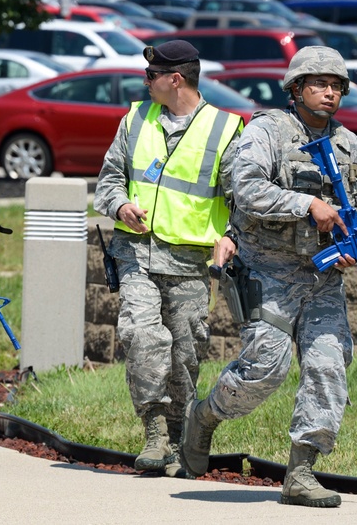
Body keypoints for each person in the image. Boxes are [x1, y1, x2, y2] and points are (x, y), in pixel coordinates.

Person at [180, 46, 357, 508]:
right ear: (295, 89)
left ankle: (301, 472)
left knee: (329, 367)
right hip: (267, 272)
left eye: (336, 86)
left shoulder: (350, 145)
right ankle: (206, 416)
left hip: (322, 280)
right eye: (319, 84)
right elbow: (247, 188)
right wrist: (306, 205)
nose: (329, 93)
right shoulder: (266, 132)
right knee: (265, 369)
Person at [93, 39, 242, 477]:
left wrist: (231, 236)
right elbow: (108, 181)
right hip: (135, 253)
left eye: (152, 75)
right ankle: (154, 431)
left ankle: (179, 439)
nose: (145, 82)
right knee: (142, 336)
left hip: (189, 263)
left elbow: (242, 200)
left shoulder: (225, 129)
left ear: (175, 79)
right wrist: (120, 206)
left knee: (185, 352)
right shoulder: (135, 119)